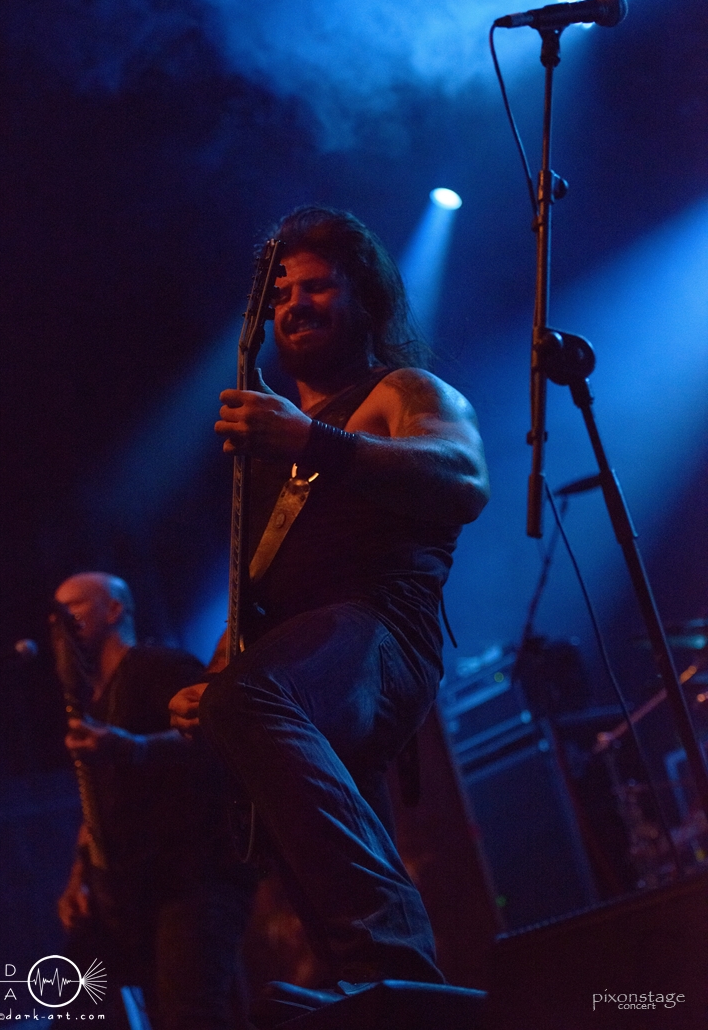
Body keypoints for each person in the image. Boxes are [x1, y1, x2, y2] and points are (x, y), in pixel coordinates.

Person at [169, 207, 490, 1022]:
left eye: (316, 287)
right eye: (280, 295)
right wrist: (213, 679)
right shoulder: (271, 448)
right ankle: (395, 997)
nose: (293, 305)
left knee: (253, 701)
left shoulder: (400, 391)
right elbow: (256, 588)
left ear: (365, 298)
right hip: (309, 668)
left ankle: (392, 959)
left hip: (379, 635)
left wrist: (316, 440)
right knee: (306, 839)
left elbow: (463, 478)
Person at [53, 571, 255, 1030]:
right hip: (140, 889)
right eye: (55, 615)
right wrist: (78, 880)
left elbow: (215, 733)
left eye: (73, 608)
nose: (60, 623)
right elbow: (98, 800)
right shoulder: (93, 704)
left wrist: (134, 747)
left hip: (194, 875)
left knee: (191, 1015)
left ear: (114, 609)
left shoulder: (156, 666)